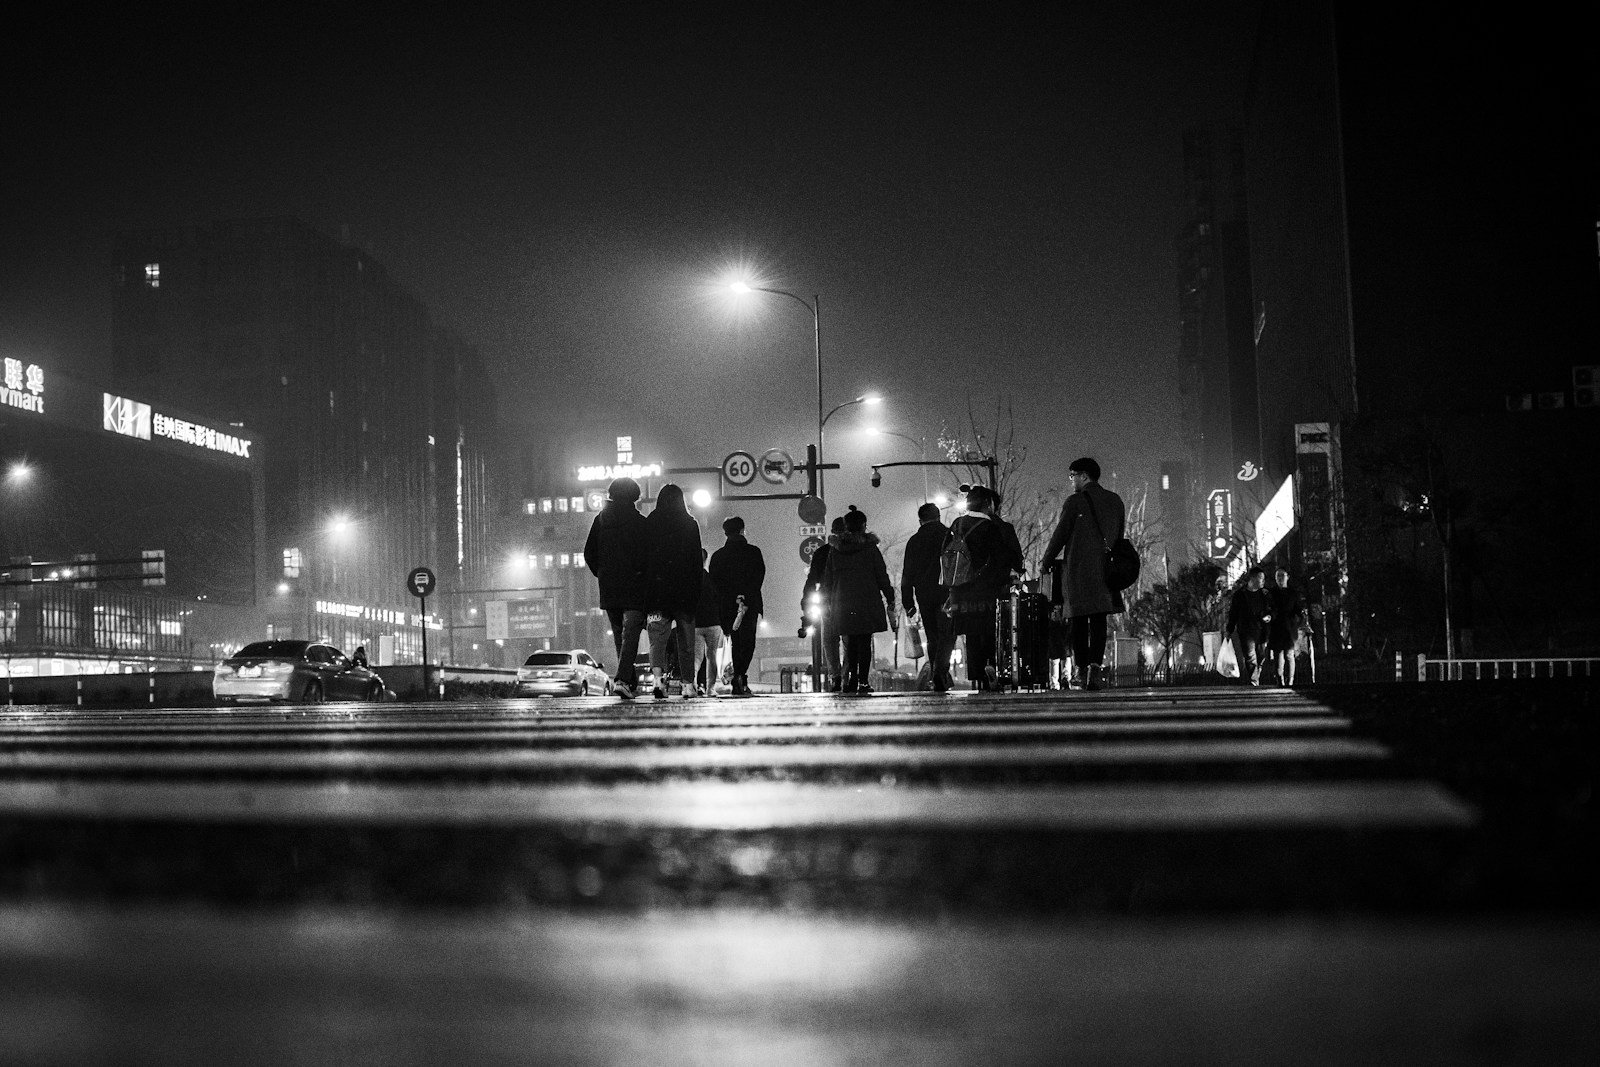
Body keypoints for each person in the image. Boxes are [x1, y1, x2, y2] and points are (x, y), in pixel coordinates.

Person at [1040, 457, 1126, 692]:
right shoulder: (1115, 501)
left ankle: (1081, 668)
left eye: (1072, 475)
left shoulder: (1075, 501)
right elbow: (1119, 534)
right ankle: (1095, 668)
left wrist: (1046, 561)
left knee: (1078, 620)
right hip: (1106, 570)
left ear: (1084, 476)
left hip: (1079, 569)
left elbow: (1060, 534)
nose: (1071, 480)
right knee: (1099, 620)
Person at [943, 484, 1023, 691]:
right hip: (986, 588)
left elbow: (946, 554)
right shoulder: (989, 527)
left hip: (961, 589)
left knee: (971, 633)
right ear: (987, 504)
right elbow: (1002, 557)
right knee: (989, 630)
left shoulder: (956, 524)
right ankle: (990, 666)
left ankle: (977, 674)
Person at [584, 475, 650, 699]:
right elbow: (648, 557)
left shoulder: (601, 520)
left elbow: (589, 553)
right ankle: (622, 680)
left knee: (620, 636)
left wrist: (603, 573)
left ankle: (628, 682)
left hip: (610, 588)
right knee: (630, 635)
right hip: (634, 587)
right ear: (635, 496)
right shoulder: (641, 523)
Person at [823, 506, 895, 694]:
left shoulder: (835, 550)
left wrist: (827, 602)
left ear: (846, 527)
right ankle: (863, 681)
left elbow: (828, 579)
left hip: (842, 602)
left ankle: (851, 679)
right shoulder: (870, 549)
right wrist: (890, 596)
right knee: (864, 642)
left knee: (851, 642)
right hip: (866, 601)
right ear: (863, 526)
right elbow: (881, 575)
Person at [644, 483, 703, 700]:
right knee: (686, 641)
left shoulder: (650, 522)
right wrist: (696, 591)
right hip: (684, 592)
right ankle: (688, 685)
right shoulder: (690, 524)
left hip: (657, 593)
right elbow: (696, 561)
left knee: (657, 639)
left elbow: (644, 559)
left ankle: (658, 681)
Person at [708, 515, 765, 697]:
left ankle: (738, 678)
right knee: (748, 642)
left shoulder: (718, 556)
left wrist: (728, 598)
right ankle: (740, 675)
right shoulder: (753, 552)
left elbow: (715, 583)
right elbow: (758, 577)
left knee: (734, 642)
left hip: (727, 606)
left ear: (725, 533)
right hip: (749, 604)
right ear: (742, 530)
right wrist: (746, 596)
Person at [901, 501, 955, 691]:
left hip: (924, 595)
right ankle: (940, 671)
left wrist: (908, 602)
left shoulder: (914, 541)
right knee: (947, 634)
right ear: (938, 517)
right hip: (947, 593)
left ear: (920, 520)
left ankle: (935, 672)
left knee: (932, 636)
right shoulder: (949, 536)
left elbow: (907, 574)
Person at [801, 515, 848, 691]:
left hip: (827, 601)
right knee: (849, 640)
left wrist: (806, 601)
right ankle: (845, 675)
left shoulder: (822, 552)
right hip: (847, 601)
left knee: (830, 639)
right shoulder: (851, 551)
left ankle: (835, 676)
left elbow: (812, 578)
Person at [1226, 566, 1273, 686]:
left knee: (1261, 655)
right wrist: (1229, 629)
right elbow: (1233, 613)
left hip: (1262, 630)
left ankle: (1257, 673)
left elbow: (1272, 609)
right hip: (1246, 630)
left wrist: (1269, 616)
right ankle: (1254, 681)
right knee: (1250, 656)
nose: (1263, 581)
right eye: (1261, 578)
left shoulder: (1265, 594)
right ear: (1253, 578)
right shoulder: (1240, 595)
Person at [1267, 566, 1308, 686]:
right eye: (1277, 576)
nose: (1280, 578)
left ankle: (1290, 681)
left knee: (1289, 654)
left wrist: (1301, 620)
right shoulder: (1271, 593)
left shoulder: (1293, 593)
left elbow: (1298, 609)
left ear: (1287, 577)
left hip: (1289, 627)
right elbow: (1268, 608)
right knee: (1278, 654)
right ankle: (1280, 680)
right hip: (1276, 627)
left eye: (1282, 575)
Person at [693, 548, 723, 696]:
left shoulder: (690, 580)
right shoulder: (712, 579)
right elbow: (719, 600)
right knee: (712, 656)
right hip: (713, 622)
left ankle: (691, 685)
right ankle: (711, 688)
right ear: (706, 559)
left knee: (696, 658)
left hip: (696, 624)